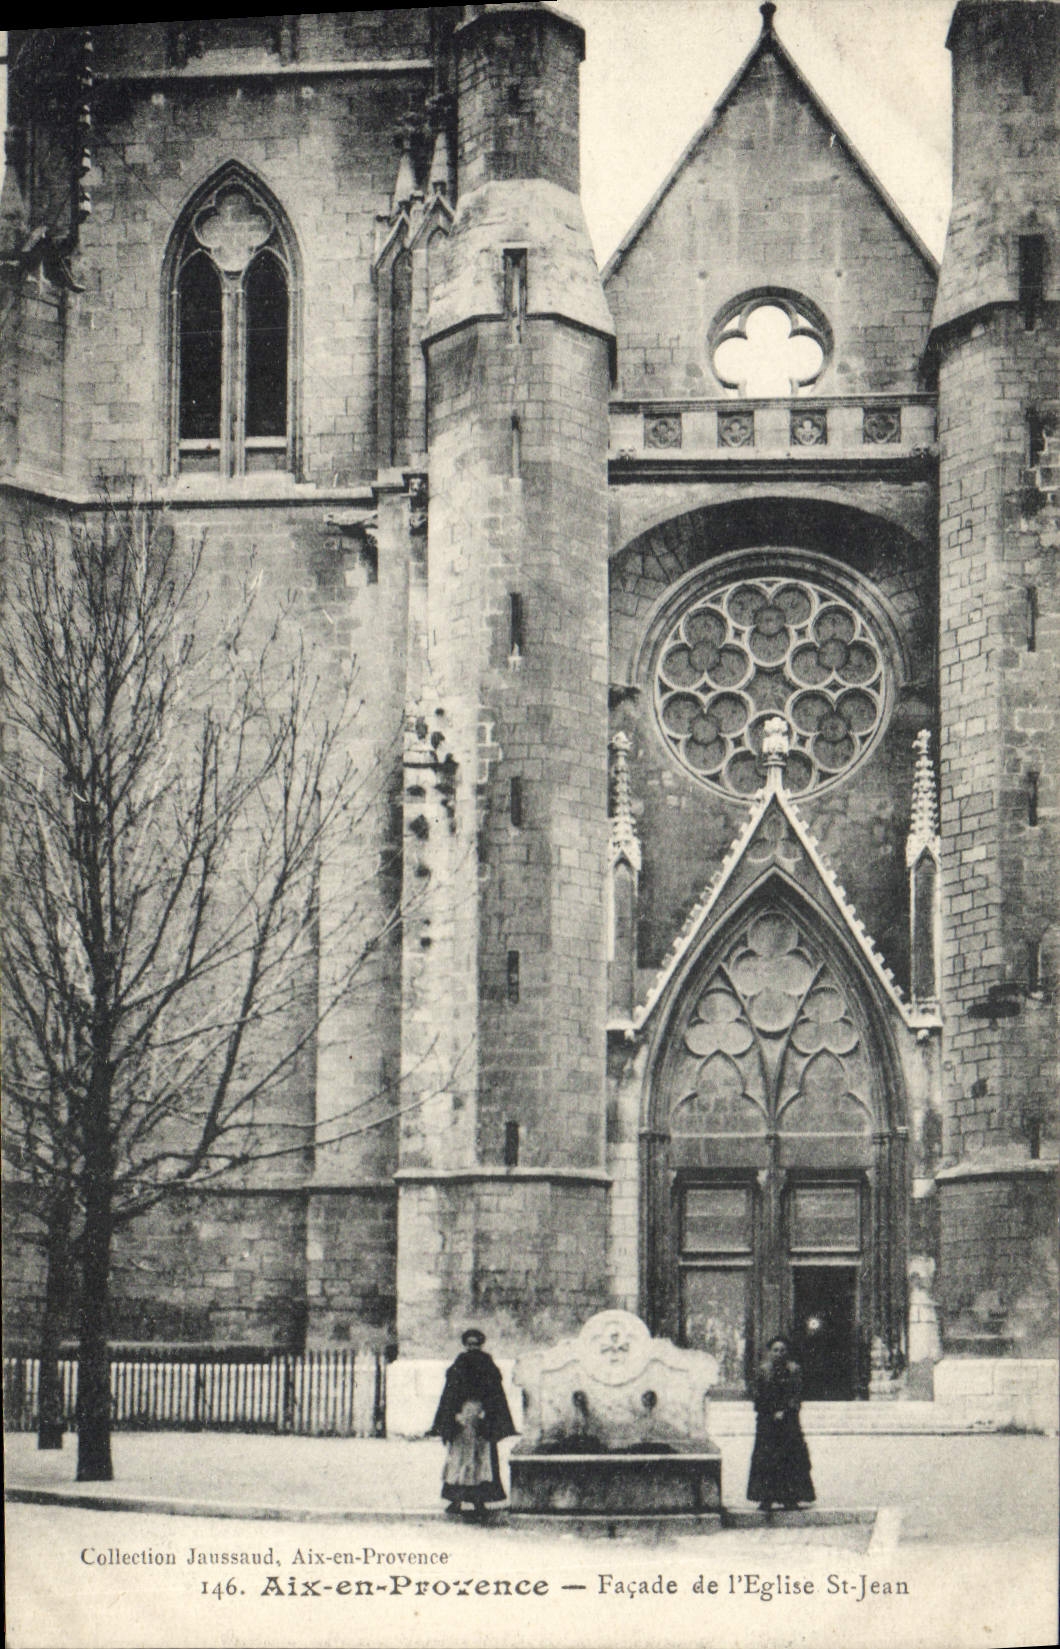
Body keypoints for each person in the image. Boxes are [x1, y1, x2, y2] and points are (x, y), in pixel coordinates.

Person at [428, 1328, 517, 1519]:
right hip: (463, 1418)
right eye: (469, 1344)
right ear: (465, 1345)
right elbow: (450, 1393)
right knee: (460, 1457)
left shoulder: (488, 1365)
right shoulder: (459, 1364)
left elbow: (495, 1394)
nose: (472, 1348)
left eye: (476, 1344)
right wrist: (453, 1416)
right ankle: (456, 1500)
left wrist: (489, 1414)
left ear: (481, 1345)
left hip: (481, 1418)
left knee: (481, 1458)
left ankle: (480, 1501)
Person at [746, 1335, 815, 1517]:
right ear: (770, 1352)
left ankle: (790, 1497)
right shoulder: (763, 1371)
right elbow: (757, 1395)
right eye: (775, 1350)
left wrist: (786, 1410)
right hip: (767, 1423)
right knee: (766, 1458)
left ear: (787, 1352)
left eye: (782, 1350)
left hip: (788, 1422)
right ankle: (766, 1497)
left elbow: (797, 1393)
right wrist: (770, 1411)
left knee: (790, 1457)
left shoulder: (794, 1370)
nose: (779, 1353)